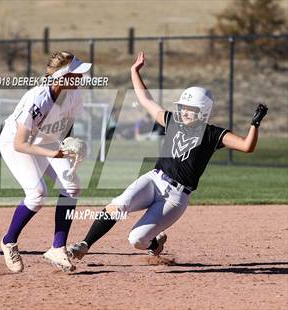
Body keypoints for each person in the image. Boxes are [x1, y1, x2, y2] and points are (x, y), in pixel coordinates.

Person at [67, 51, 268, 261]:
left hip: (176, 197)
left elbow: (247, 146)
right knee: (119, 205)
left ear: (203, 111)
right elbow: (145, 100)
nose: (185, 112)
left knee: (136, 240)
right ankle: (84, 245)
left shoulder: (212, 134)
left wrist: (255, 124)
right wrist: (134, 71)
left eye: (191, 109)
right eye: (184, 107)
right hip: (154, 179)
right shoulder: (172, 120)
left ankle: (154, 243)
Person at [0, 51, 91, 273]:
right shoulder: (39, 99)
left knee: (72, 187)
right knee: (38, 194)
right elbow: (20, 144)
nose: (81, 77)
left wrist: (70, 144)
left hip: (48, 142)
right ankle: (8, 241)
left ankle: (57, 248)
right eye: (76, 74)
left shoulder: (74, 94)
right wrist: (53, 155)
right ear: (62, 77)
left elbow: (66, 126)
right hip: (16, 142)